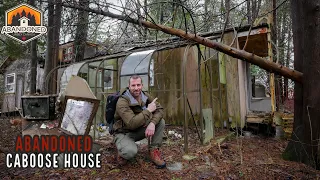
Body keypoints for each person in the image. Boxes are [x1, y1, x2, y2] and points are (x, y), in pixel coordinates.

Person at [113, 75, 166, 168]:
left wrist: (152, 123)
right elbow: (131, 123)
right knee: (129, 152)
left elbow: (160, 109)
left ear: (142, 85)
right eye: (133, 85)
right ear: (129, 86)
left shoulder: (144, 96)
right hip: (124, 132)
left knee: (160, 122)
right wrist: (148, 110)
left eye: (138, 85)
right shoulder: (122, 101)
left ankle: (153, 151)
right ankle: (122, 150)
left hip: (138, 130)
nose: (136, 88)